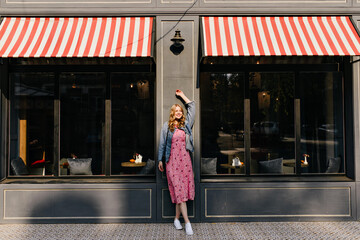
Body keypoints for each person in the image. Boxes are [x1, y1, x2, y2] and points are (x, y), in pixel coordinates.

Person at [158, 89, 195, 236]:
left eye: (180, 110)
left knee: (182, 193)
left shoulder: (186, 125)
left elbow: (192, 106)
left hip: (185, 163)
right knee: (179, 193)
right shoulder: (167, 127)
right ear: (173, 112)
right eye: (176, 110)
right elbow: (161, 144)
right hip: (171, 163)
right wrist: (160, 160)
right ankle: (187, 223)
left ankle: (176, 219)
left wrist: (182, 96)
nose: (179, 112)